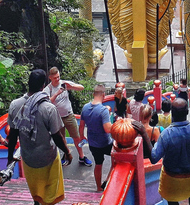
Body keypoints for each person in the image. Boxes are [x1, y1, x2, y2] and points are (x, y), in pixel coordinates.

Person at [6, 69, 73, 205]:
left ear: (28, 84)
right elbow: (57, 136)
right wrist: (67, 152)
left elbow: (12, 135)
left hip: (28, 159)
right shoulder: (48, 108)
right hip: (47, 157)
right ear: (43, 86)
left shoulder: (15, 105)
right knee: (50, 191)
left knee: (37, 191)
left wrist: (9, 157)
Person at [150, 99, 190, 205]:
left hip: (171, 179)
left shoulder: (166, 134)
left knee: (172, 198)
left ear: (172, 113)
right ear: (187, 112)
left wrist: (144, 133)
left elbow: (154, 158)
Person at [43, 67, 92, 166]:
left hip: (68, 115)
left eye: (58, 77)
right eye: (55, 78)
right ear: (50, 78)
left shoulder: (64, 83)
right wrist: (57, 94)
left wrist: (71, 87)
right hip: (57, 117)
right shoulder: (48, 89)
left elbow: (81, 87)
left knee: (76, 136)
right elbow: (47, 102)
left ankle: (82, 156)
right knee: (62, 138)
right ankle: (66, 155)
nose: (57, 79)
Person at [79, 84, 114, 192]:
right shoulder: (103, 110)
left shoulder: (85, 107)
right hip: (105, 143)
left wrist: (82, 136)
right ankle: (108, 180)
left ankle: (99, 187)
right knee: (116, 159)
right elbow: (107, 129)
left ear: (94, 94)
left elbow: (81, 126)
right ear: (104, 95)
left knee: (98, 164)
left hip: (93, 144)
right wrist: (118, 125)